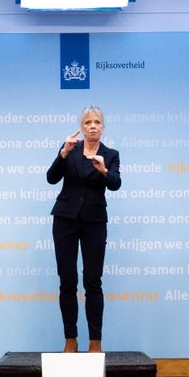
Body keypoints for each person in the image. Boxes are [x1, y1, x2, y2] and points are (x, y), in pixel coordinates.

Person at [46, 106, 122, 354]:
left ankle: (95, 342)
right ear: (81, 126)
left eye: (97, 122)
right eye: (88, 122)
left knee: (93, 281)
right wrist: (63, 154)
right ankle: (70, 340)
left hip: (94, 220)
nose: (92, 126)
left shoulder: (110, 154)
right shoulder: (70, 148)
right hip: (65, 219)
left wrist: (104, 171)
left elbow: (115, 184)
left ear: (102, 127)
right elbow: (51, 178)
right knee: (67, 281)